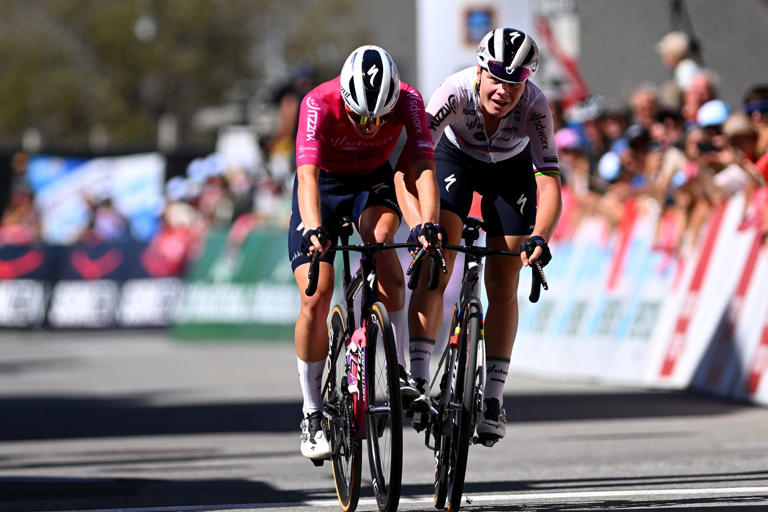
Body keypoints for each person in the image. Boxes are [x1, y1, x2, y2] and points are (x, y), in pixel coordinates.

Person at [396, 28, 562, 443]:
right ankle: (418, 380)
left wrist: (540, 236)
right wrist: (420, 224)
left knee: (504, 284)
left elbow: (550, 183)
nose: (504, 91)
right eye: (496, 78)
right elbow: (409, 167)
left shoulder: (536, 107)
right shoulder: (452, 93)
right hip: (456, 159)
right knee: (436, 263)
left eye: (515, 82)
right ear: (479, 69)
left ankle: (492, 399)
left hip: (511, 169)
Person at [289, 45, 440, 460]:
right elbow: (305, 176)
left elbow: (424, 164)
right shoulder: (318, 102)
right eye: (361, 116)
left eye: (379, 116)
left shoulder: (408, 99)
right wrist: (316, 228)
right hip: (322, 187)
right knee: (315, 296)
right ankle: (312, 410)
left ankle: (399, 368)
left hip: (371, 183)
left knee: (383, 238)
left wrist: (428, 222)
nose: (371, 125)